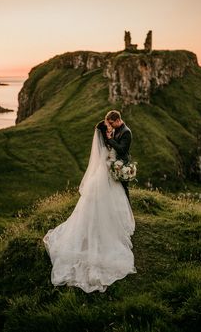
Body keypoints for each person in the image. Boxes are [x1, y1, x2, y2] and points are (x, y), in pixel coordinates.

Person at [43, 114, 136, 293]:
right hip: (106, 173)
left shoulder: (121, 133)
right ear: (103, 133)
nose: (111, 129)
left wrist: (113, 152)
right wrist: (111, 146)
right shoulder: (107, 140)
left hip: (109, 171)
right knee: (109, 200)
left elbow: (119, 151)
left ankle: (111, 222)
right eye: (108, 128)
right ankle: (106, 226)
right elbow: (111, 153)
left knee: (116, 198)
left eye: (111, 126)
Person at [105, 110, 132, 201]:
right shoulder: (116, 129)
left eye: (111, 123)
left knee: (124, 189)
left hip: (122, 164)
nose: (110, 125)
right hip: (115, 163)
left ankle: (128, 212)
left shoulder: (126, 132)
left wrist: (110, 139)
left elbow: (122, 150)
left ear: (117, 120)